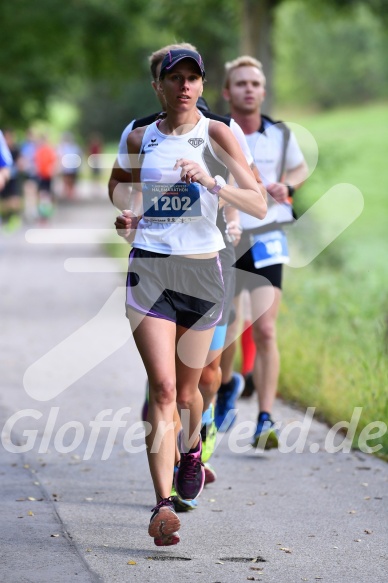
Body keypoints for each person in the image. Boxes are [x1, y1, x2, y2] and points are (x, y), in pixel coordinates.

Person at [114, 48, 266, 546]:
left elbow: (258, 201)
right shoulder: (140, 136)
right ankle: (161, 507)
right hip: (151, 268)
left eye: (192, 78)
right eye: (174, 78)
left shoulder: (218, 133)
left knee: (189, 392)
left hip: (203, 272)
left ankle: (192, 452)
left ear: (202, 87)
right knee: (161, 390)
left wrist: (213, 182)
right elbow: (119, 186)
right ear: (158, 86)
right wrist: (130, 215)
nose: (184, 86)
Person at [216, 56, 308, 448]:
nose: (248, 89)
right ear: (227, 92)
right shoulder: (217, 132)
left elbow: (300, 169)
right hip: (228, 237)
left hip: (268, 236)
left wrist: (286, 185)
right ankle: (224, 387)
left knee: (266, 328)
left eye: (255, 83)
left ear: (264, 91)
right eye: (240, 83)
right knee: (229, 330)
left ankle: (265, 419)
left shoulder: (281, 134)